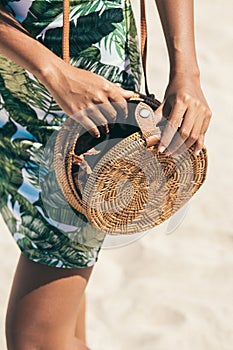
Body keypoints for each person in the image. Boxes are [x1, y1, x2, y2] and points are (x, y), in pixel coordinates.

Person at [0, 0, 211, 349]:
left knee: (34, 337)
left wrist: (187, 71)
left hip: (92, 85)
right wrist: (51, 72)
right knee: (63, 328)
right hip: (15, 83)